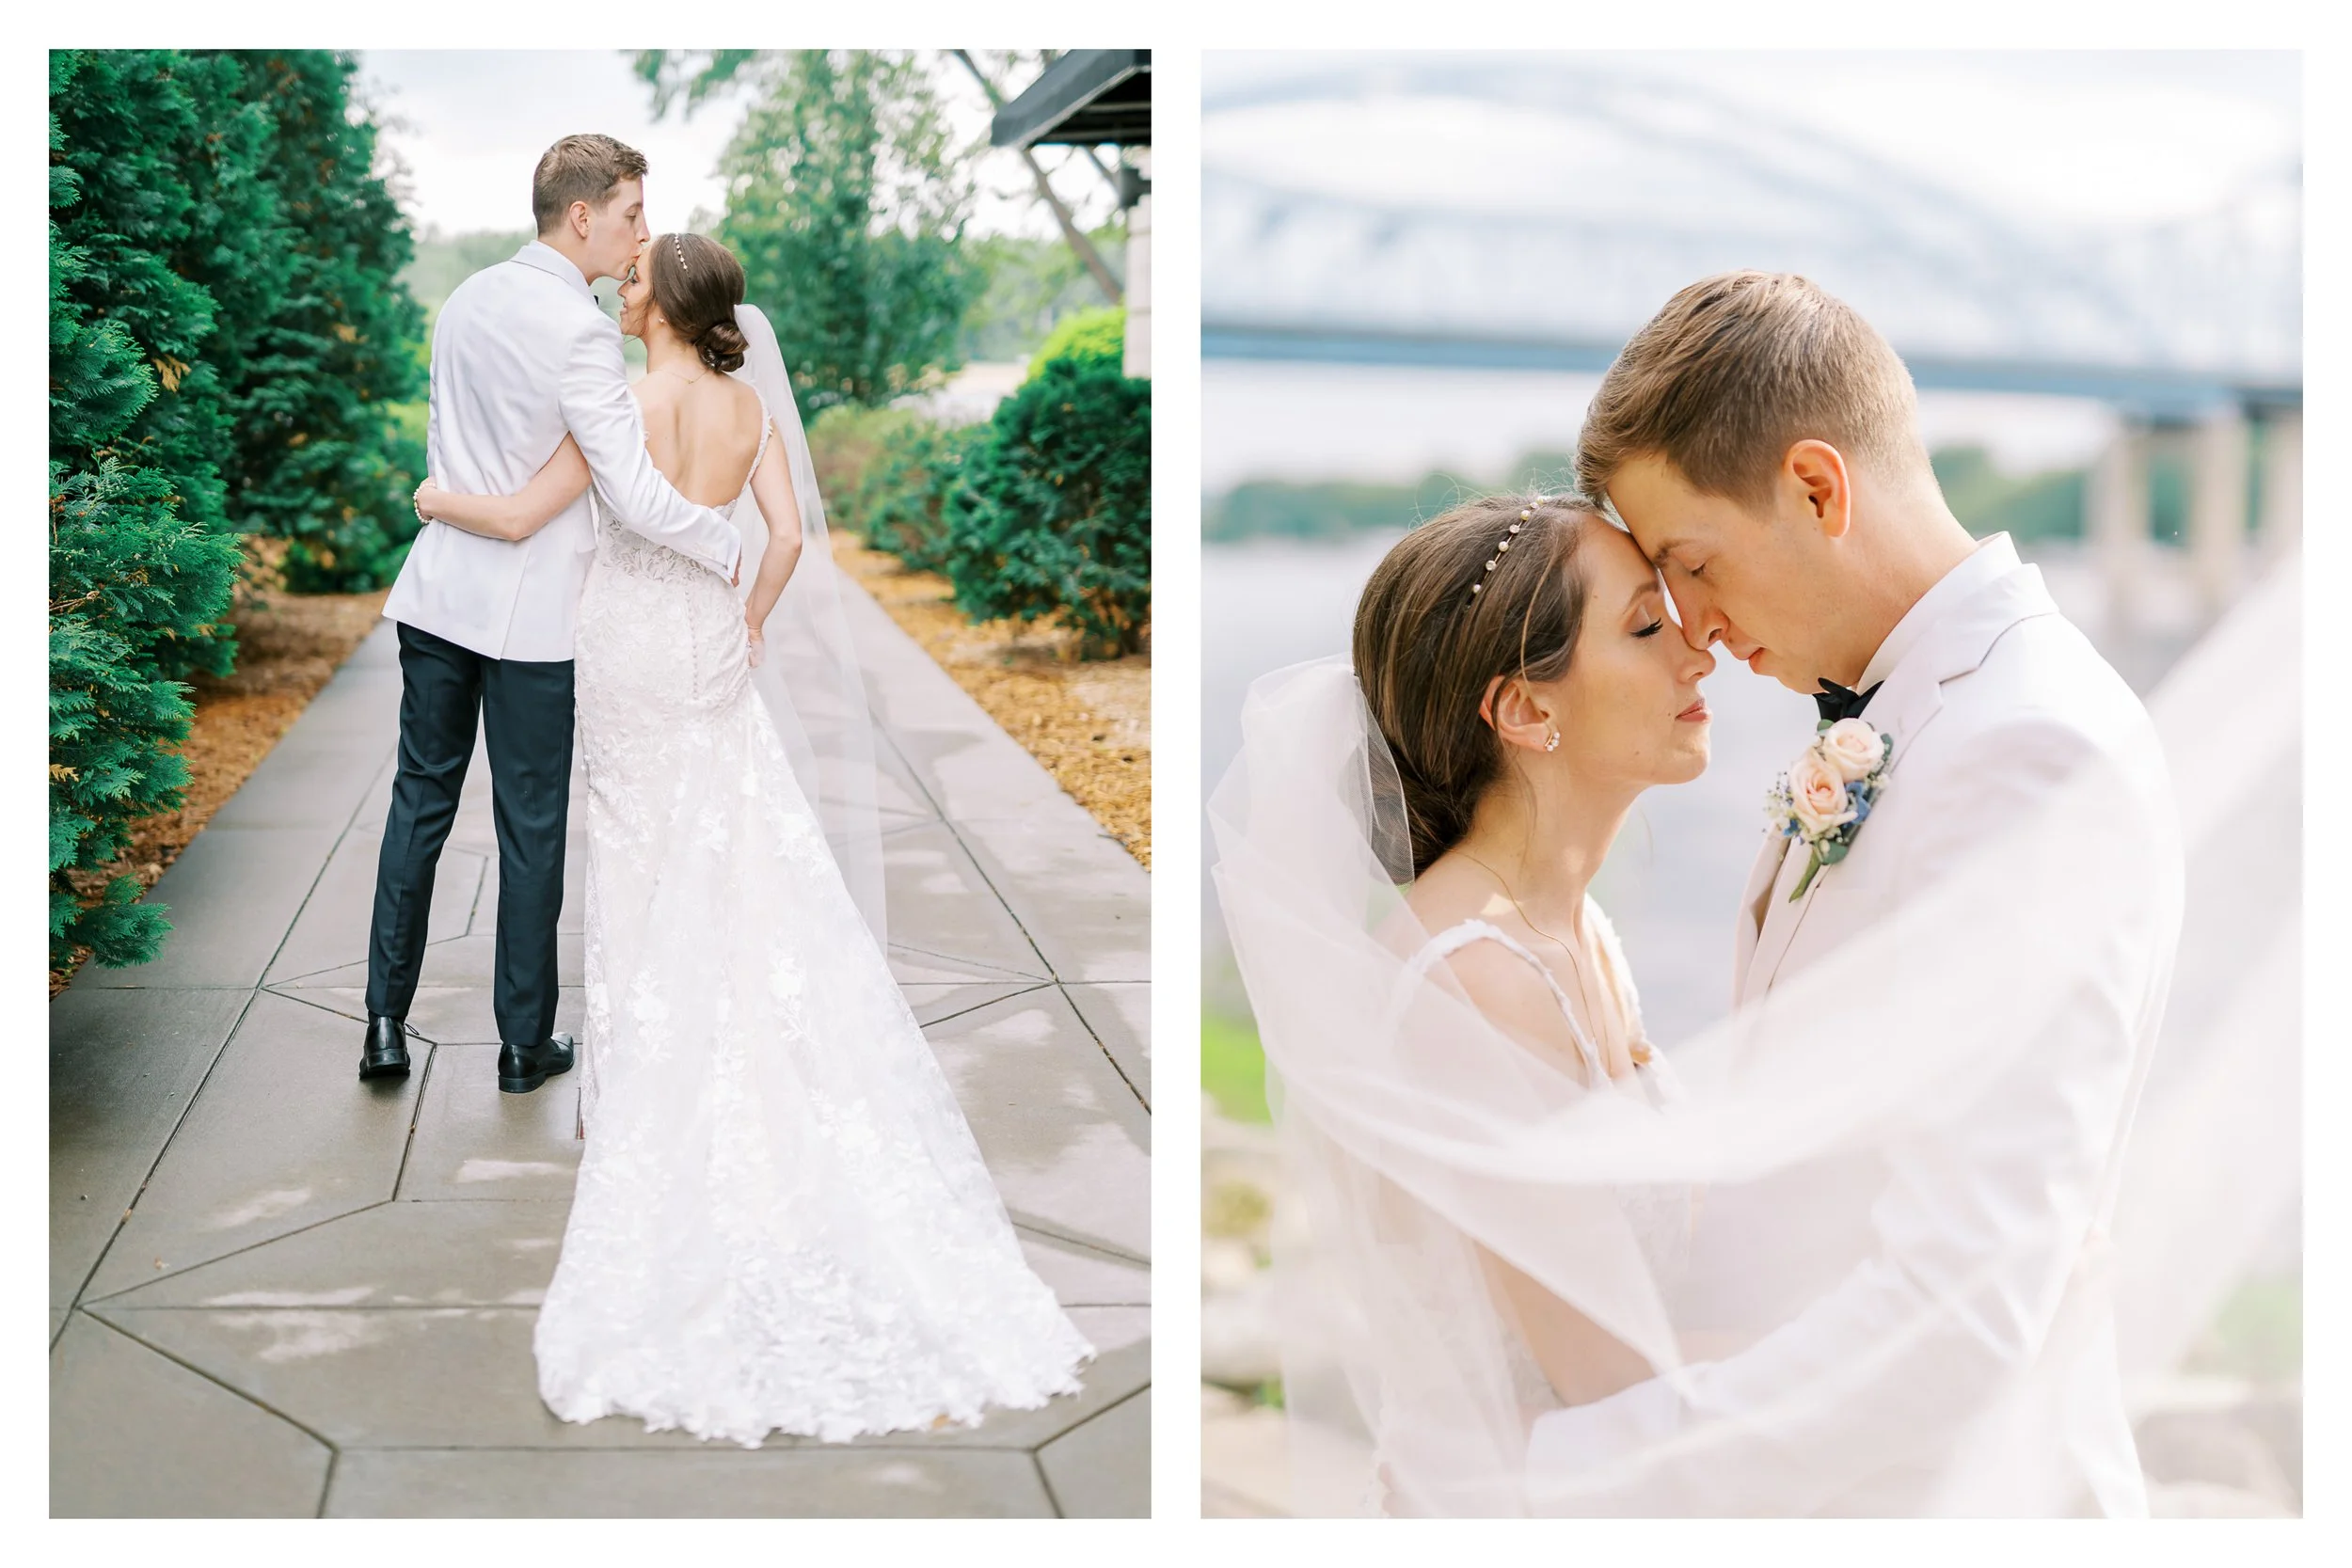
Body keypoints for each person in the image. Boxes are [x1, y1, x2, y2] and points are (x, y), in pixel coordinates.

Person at [1208, 271, 2185, 1516]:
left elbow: (1961, 1303)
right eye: (1654, 602)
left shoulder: (2021, 746)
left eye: (1691, 565)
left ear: (1820, 488)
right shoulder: (1929, 724)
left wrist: (1527, 1480)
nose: (1702, 631)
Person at [412, 218, 1091, 1445]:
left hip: (623, 642)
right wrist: (753, 619)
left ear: (665, 302)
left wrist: (431, 492)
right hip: (711, 641)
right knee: (739, 843)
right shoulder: (750, 411)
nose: (619, 291)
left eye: (632, 281)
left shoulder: (619, 399)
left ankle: (639, 1088)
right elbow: (783, 539)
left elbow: (527, 517)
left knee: (632, 852)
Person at [364, 134, 740, 1094]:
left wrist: (442, 501)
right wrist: (724, 545)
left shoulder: (463, 301)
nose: (638, 235)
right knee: (530, 827)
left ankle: (382, 1025)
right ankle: (523, 1045)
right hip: (528, 620)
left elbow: (452, 446)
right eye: (630, 215)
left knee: (418, 804)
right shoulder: (579, 332)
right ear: (582, 215)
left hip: (438, 590)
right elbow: (632, 495)